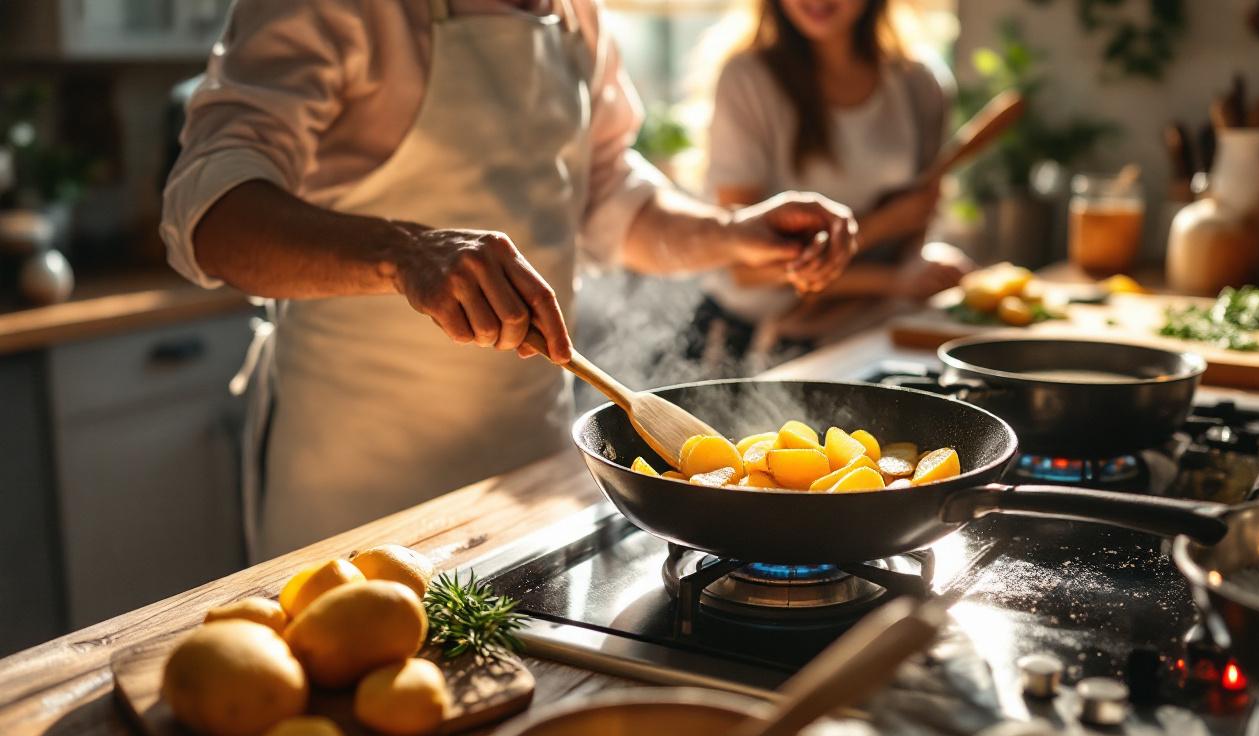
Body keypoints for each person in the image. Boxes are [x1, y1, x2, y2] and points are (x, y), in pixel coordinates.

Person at [161, 0, 857, 560]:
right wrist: (403, 252)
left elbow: (608, 195)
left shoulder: (576, 15)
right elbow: (210, 214)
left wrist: (730, 233)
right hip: (356, 490)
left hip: (532, 468)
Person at [695, 0, 971, 370]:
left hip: (860, 328)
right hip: (746, 339)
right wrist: (890, 265)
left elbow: (913, 232)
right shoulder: (747, 80)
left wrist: (916, 268)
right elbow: (746, 269)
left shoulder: (920, 84)